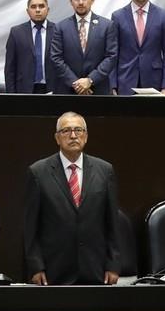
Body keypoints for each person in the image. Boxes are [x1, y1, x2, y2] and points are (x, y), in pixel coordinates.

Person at [22, 112, 119, 285]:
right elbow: (31, 227)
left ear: (86, 136)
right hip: (54, 269)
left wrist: (113, 264)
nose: (73, 135)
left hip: (95, 268)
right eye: (66, 131)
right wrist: (36, 266)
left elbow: (112, 222)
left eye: (78, 130)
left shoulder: (105, 171)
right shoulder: (38, 172)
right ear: (57, 138)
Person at [111, 0, 165, 95]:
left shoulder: (163, 16)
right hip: (125, 81)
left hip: (154, 82)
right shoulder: (118, 16)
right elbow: (113, 54)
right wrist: (112, 86)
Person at [50, 0, 118, 95]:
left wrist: (90, 80)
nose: (80, 2)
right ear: (70, 1)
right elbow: (56, 58)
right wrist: (76, 83)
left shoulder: (107, 25)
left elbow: (111, 57)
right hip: (69, 90)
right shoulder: (60, 27)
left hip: (98, 89)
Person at [3, 0, 57, 94]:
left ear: (48, 10)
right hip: (24, 90)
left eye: (41, 6)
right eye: (33, 7)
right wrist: (11, 95)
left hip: (52, 89)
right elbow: (10, 68)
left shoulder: (58, 31)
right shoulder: (16, 32)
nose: (37, 10)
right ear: (28, 11)